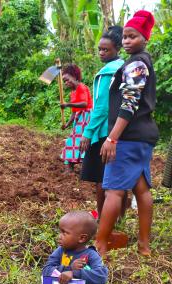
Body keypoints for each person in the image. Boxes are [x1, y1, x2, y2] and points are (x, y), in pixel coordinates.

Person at [96, 10, 158, 257]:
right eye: (126, 36)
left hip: (128, 136)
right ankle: (143, 245)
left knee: (114, 190)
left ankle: (99, 244)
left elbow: (130, 102)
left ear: (145, 38)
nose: (127, 40)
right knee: (141, 189)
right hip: (142, 136)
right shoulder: (142, 61)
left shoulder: (135, 64)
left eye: (134, 36)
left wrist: (112, 137)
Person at [80, 27, 125, 219]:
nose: (101, 53)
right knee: (119, 178)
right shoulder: (124, 67)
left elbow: (101, 107)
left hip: (104, 132)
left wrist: (88, 132)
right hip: (119, 128)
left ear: (117, 49)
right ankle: (119, 217)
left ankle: (102, 219)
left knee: (101, 178)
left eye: (105, 50)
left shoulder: (108, 72)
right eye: (99, 49)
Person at [59, 65, 93, 172]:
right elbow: (74, 113)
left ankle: (83, 168)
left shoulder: (82, 87)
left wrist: (67, 104)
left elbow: (84, 104)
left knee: (80, 142)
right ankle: (70, 167)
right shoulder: (72, 93)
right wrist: (67, 124)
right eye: (64, 81)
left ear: (74, 76)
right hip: (79, 119)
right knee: (73, 141)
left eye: (67, 80)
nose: (66, 83)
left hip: (87, 118)